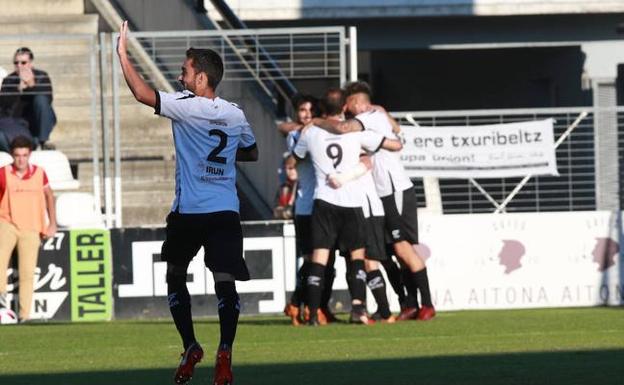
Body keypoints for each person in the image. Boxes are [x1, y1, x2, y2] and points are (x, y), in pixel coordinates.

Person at [117, 21, 258, 385]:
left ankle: (191, 345)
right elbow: (252, 151)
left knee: (175, 275)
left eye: (185, 71)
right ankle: (225, 351)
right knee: (225, 281)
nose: (180, 77)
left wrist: (122, 54)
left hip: (190, 212)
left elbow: (142, 93)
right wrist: (219, 159)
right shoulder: (235, 113)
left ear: (200, 80)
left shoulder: (185, 105)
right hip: (225, 210)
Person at [313, 81, 436, 321]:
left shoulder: (370, 116)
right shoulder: (376, 116)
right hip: (378, 196)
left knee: (402, 248)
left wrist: (317, 122)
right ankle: (408, 303)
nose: (346, 109)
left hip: (394, 189)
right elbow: (395, 133)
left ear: (358, 103)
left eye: (349, 104)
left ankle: (427, 304)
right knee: (387, 253)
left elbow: (346, 128)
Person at [289, 93, 403, 326]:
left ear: (321, 110)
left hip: (323, 201)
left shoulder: (309, 132)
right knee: (357, 257)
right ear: (343, 107)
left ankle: (312, 315)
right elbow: (392, 146)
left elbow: (295, 159)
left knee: (318, 258)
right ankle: (359, 310)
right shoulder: (356, 132)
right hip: (352, 202)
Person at [0, 136, 57, 322]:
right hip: (7, 222)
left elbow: (49, 196)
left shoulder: (40, 173)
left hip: (32, 225)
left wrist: (52, 223)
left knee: (27, 273)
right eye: (17, 155)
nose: (21, 159)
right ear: (12, 155)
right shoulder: (3, 173)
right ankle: (1, 304)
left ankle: (24, 315)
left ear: (30, 155)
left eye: (24, 155)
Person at [0, 47, 56, 150]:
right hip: (17, 123)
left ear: (30, 63)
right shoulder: (9, 80)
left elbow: (47, 99)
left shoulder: (41, 76)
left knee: (41, 99)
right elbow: (4, 106)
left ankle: (43, 141)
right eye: (16, 63)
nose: (19, 66)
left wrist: (32, 85)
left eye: (23, 62)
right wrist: (18, 89)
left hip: (36, 122)